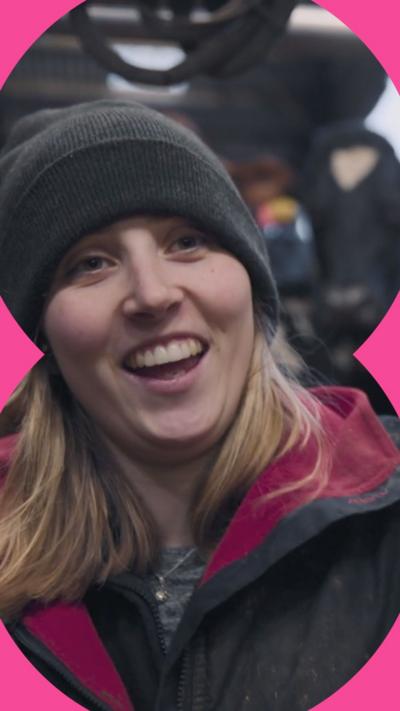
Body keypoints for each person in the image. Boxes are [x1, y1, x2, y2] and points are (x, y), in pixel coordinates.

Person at [0, 100, 399, 711]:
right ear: (42, 338)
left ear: (252, 286)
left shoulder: (384, 514)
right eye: (92, 263)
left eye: (187, 241)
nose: (152, 294)